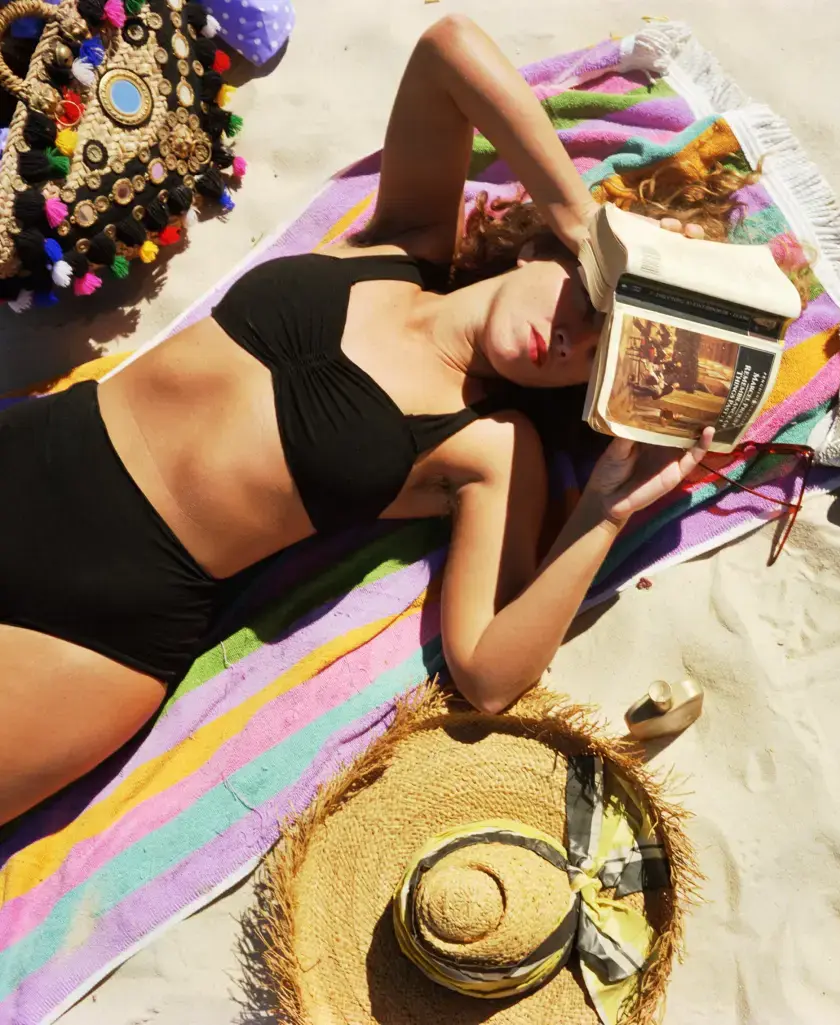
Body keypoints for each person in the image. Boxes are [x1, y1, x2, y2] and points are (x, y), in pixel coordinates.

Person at [0, 15, 762, 826]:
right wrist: (584, 222)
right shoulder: (406, 240)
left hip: (104, 623)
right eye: (596, 302)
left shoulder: (495, 446)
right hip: (41, 455)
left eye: (599, 358)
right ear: (560, 254)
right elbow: (449, 51)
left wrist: (605, 513)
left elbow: (488, 674)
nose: (572, 339)